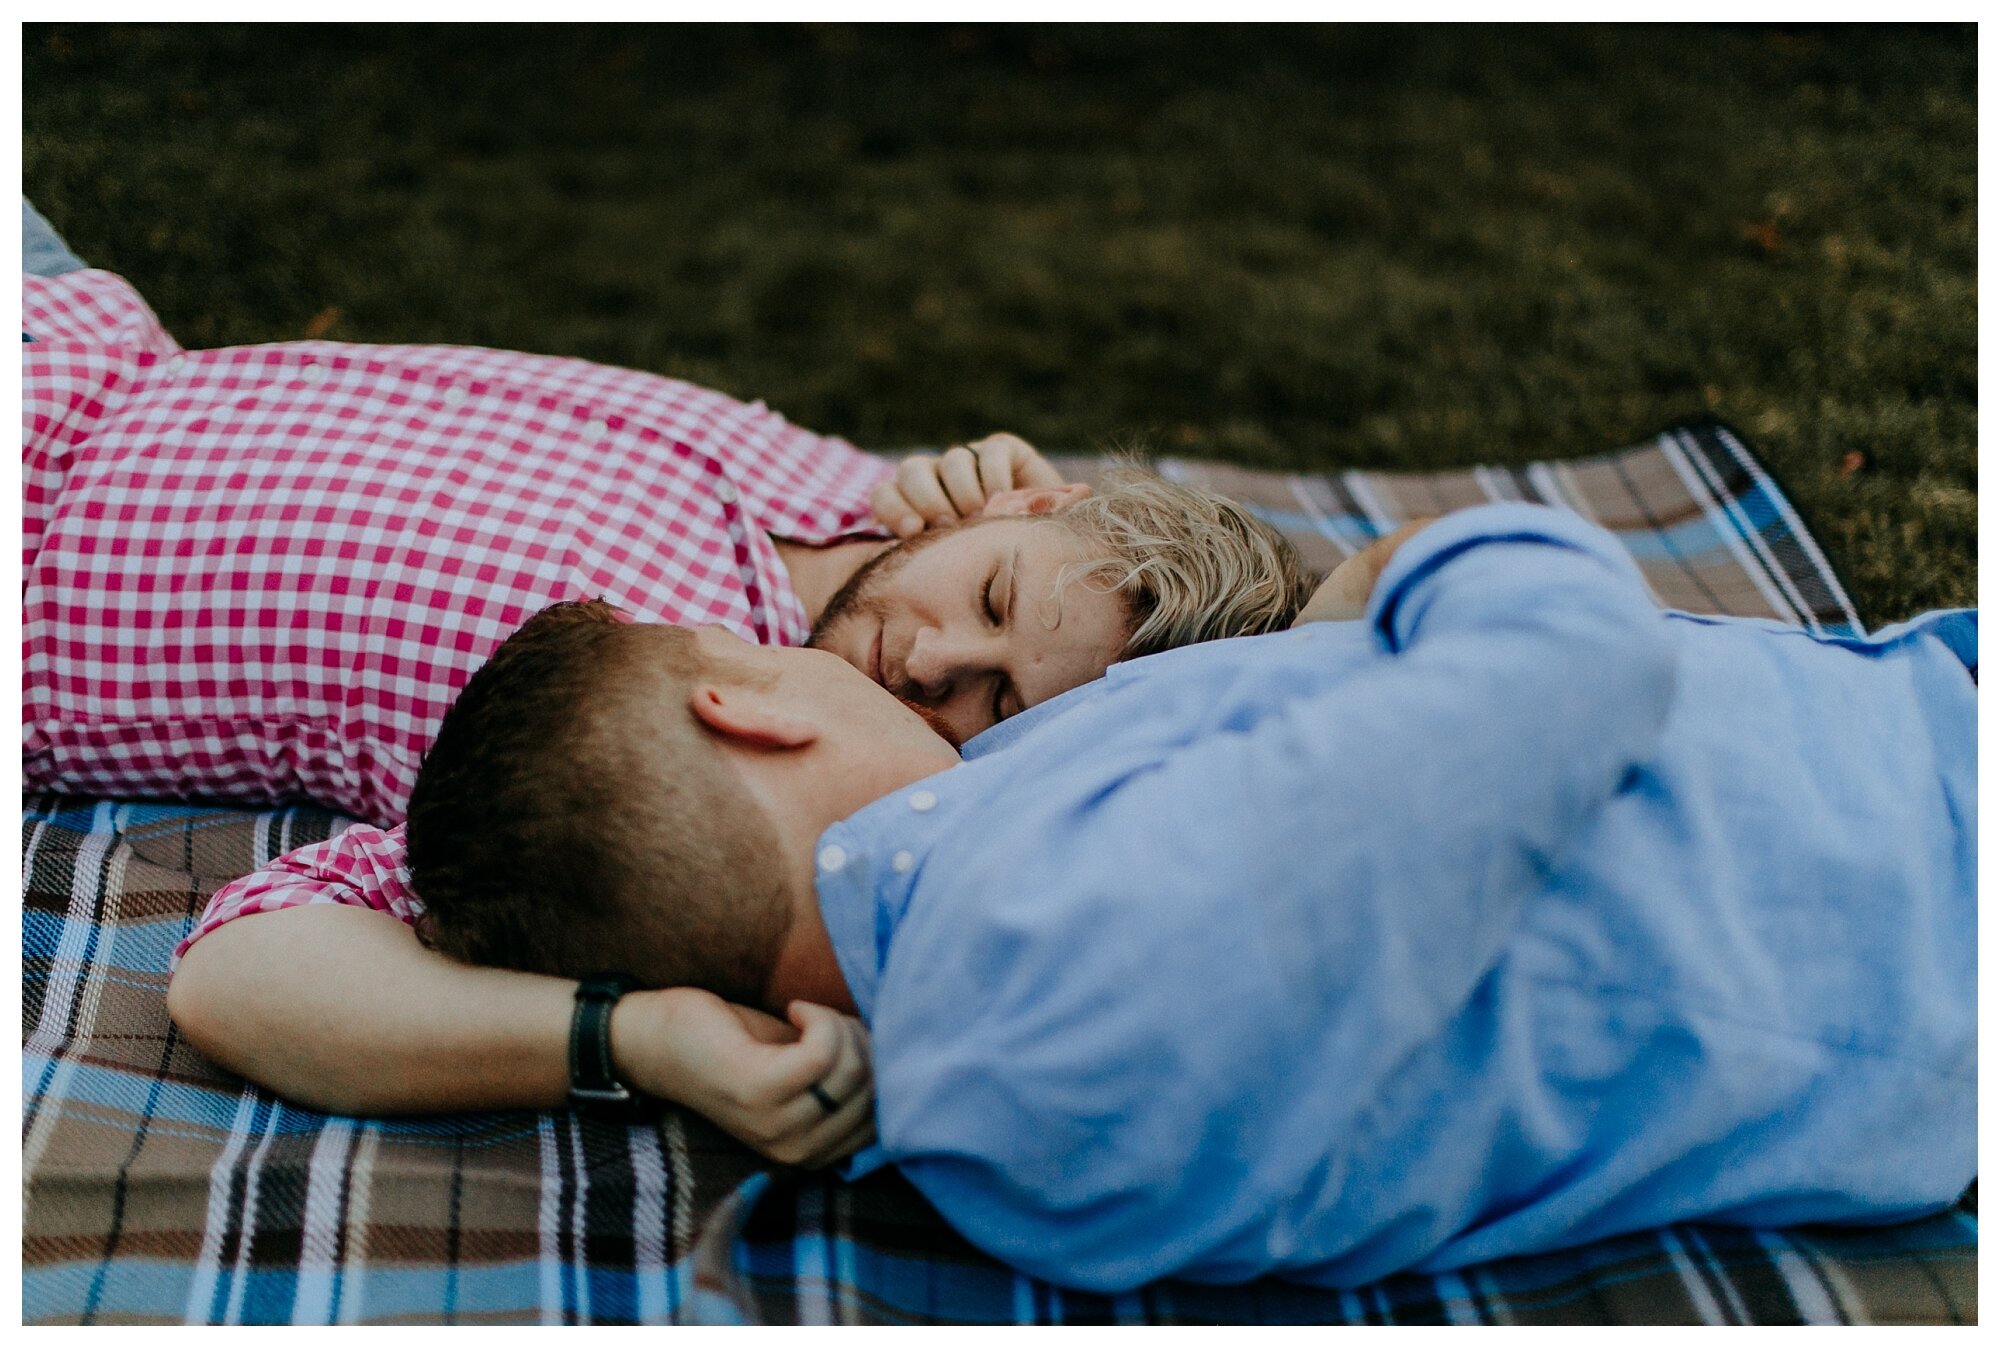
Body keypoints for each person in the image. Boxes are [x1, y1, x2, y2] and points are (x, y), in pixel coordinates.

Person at [23, 204, 1316, 1164]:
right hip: (78, 318)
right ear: (1032, 496)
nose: (932, 662)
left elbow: (237, 977)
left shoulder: (659, 757)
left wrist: (633, 1035)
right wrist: (935, 498)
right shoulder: (852, 489)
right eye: (986, 599)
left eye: (996, 706)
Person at [405, 502, 1976, 1290]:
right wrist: (1418, 558)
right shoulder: (1062, 916)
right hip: (1933, 824)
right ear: (752, 703)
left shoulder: (960, 1122)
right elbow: (1574, 665)